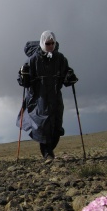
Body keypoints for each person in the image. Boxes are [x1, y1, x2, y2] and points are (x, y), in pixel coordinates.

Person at [17, 30, 78, 160]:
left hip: (55, 98)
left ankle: (49, 152)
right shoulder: (32, 60)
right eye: (48, 43)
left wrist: (70, 77)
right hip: (38, 99)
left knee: (56, 125)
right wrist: (24, 76)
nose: (50, 45)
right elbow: (23, 82)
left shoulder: (60, 59)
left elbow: (65, 78)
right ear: (42, 43)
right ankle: (47, 153)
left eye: (52, 43)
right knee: (42, 126)